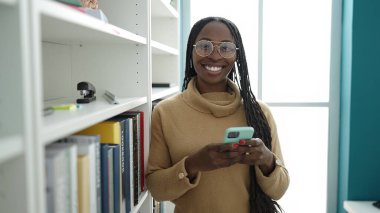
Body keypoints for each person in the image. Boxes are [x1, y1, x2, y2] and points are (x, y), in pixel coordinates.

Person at [147, 16, 289, 213]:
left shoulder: (259, 112)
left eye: (226, 48)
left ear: (236, 55)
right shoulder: (165, 112)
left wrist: (267, 160)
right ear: (191, 51)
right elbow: (156, 189)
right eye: (205, 46)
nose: (214, 56)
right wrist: (193, 164)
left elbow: (279, 190)